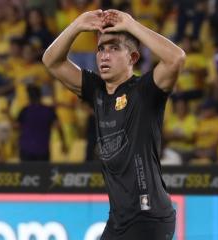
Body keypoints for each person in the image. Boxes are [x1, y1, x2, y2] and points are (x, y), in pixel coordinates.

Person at [42, 9, 185, 240]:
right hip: (119, 220)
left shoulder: (145, 91)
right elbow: (51, 61)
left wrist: (131, 25)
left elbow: (176, 58)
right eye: (101, 49)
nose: (104, 55)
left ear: (133, 58)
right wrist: (77, 25)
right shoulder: (96, 91)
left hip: (149, 217)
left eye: (114, 48)